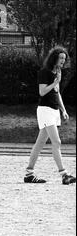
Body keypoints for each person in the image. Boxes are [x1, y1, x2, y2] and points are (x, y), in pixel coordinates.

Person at [24, 46, 76, 185]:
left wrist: (63, 110)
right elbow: (42, 92)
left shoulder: (57, 73)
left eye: (64, 59)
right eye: (61, 58)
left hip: (54, 111)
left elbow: (57, 93)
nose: (63, 61)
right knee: (56, 142)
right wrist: (55, 82)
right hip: (45, 110)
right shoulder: (45, 72)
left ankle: (29, 174)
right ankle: (64, 175)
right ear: (54, 58)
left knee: (40, 143)